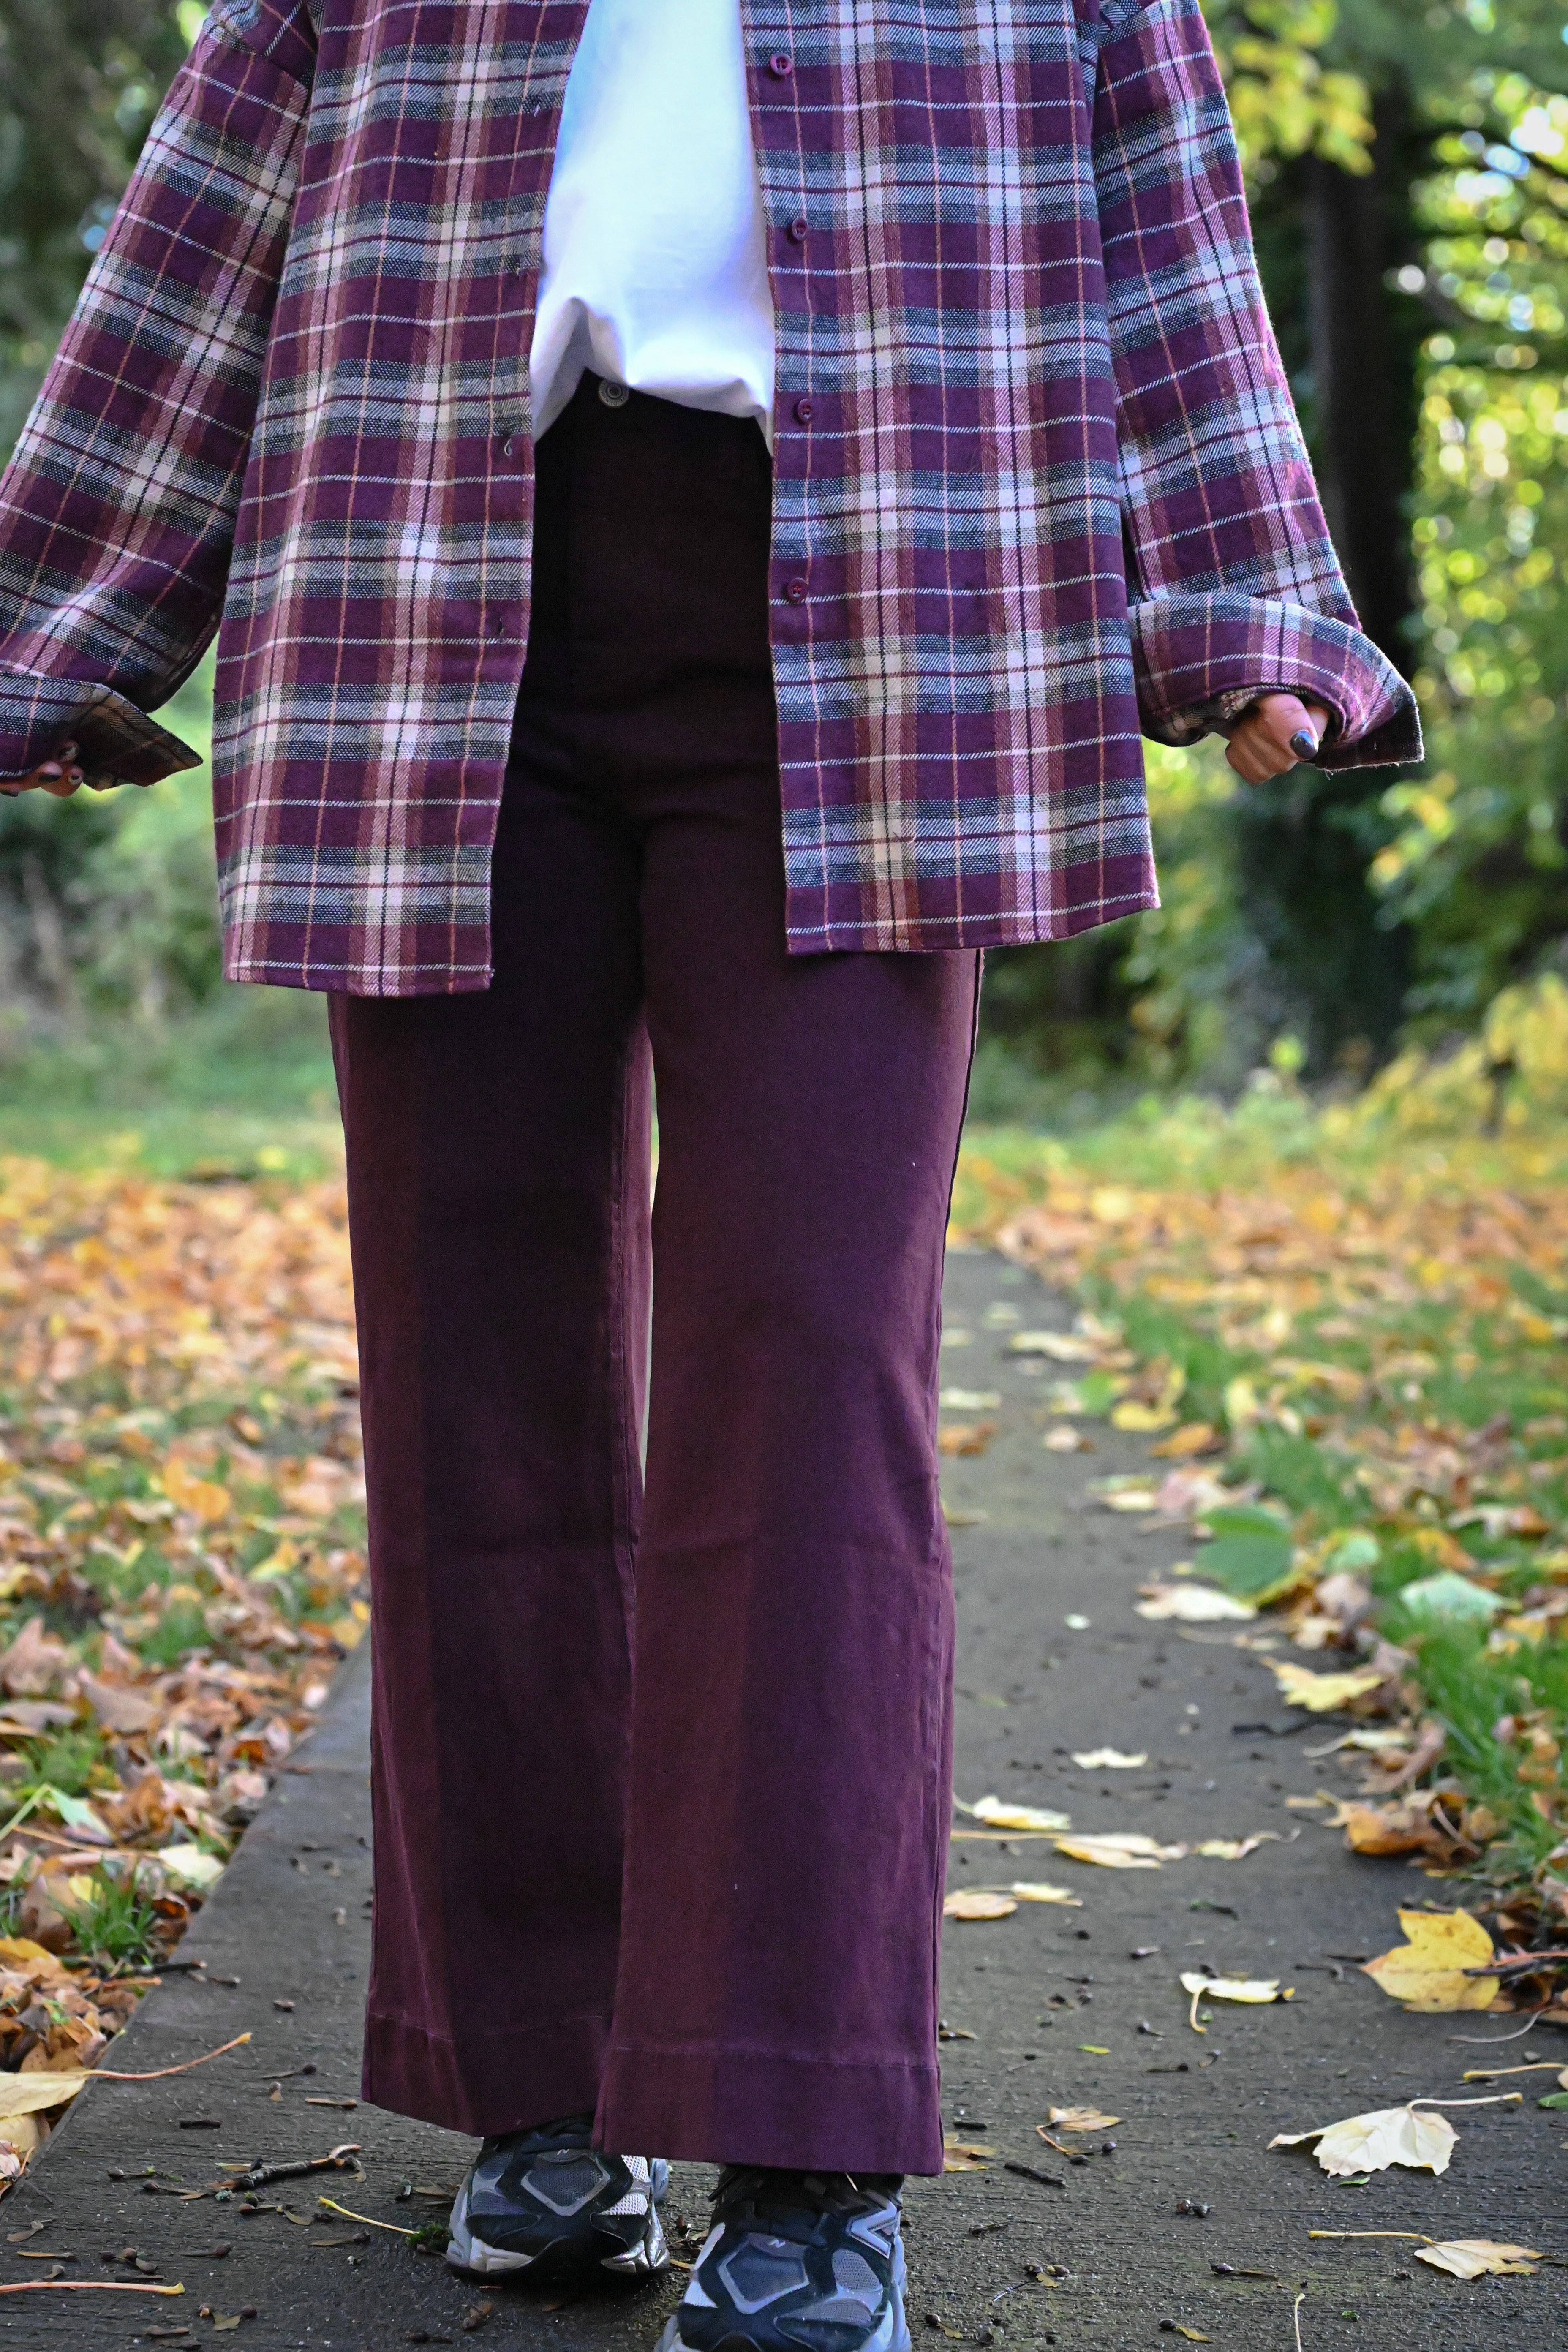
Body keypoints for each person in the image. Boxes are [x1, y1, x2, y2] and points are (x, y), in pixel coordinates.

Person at [0, 2, 1418, 2346]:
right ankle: (544, 2092)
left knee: (814, 1365)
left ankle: (803, 2137)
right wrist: (61, 613)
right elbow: (218, 198)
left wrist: (1247, 601)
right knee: (478, 1361)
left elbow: (1160, 221)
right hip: (419, 587)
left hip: (893, 608)